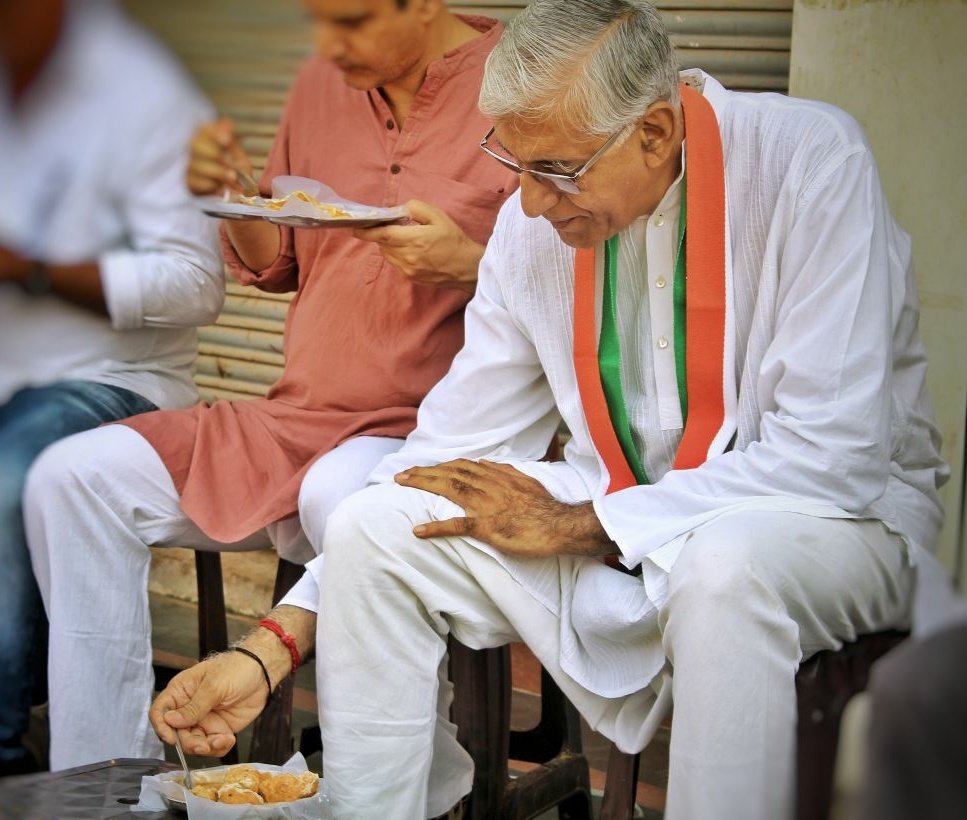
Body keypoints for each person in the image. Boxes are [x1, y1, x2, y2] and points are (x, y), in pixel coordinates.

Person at [149, 0, 949, 817]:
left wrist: (581, 526)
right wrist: (271, 645)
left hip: (838, 525)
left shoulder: (809, 163)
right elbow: (446, 449)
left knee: (723, 567)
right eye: (513, 164)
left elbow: (833, 457)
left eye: (557, 170)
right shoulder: (532, 224)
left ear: (656, 133)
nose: (529, 204)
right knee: (373, 524)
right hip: (613, 517)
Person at [23, 0, 518, 772]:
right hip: (296, 419)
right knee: (70, 476)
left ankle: (388, 782)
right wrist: (239, 200)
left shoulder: (524, 84)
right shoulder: (324, 81)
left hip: (434, 433)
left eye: (348, 21)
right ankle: (105, 781)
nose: (324, 47)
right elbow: (277, 261)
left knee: (337, 496)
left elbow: (585, 282)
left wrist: (472, 264)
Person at [0, 0, 222, 776]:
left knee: (12, 463)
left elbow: (198, 283)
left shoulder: (148, 101)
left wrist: (34, 269)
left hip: (112, 380)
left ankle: (5, 752)